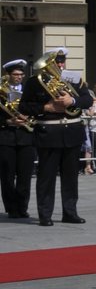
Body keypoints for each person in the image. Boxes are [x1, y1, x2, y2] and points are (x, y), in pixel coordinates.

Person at [20, 48, 91, 226]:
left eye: (61, 62)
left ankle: (70, 212)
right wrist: (46, 108)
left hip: (72, 132)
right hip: (49, 133)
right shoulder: (34, 82)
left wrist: (72, 101)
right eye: (55, 62)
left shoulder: (74, 79)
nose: (59, 65)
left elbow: (87, 100)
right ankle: (45, 214)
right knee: (46, 177)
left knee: (71, 177)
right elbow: (24, 107)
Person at [1, 58, 34, 218]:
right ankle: (11, 208)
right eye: (15, 74)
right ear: (8, 75)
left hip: (26, 137)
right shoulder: (1, 92)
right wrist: (8, 120)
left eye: (21, 74)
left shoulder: (28, 91)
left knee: (25, 175)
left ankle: (22, 207)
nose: (19, 77)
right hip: (6, 137)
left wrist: (28, 117)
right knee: (7, 176)